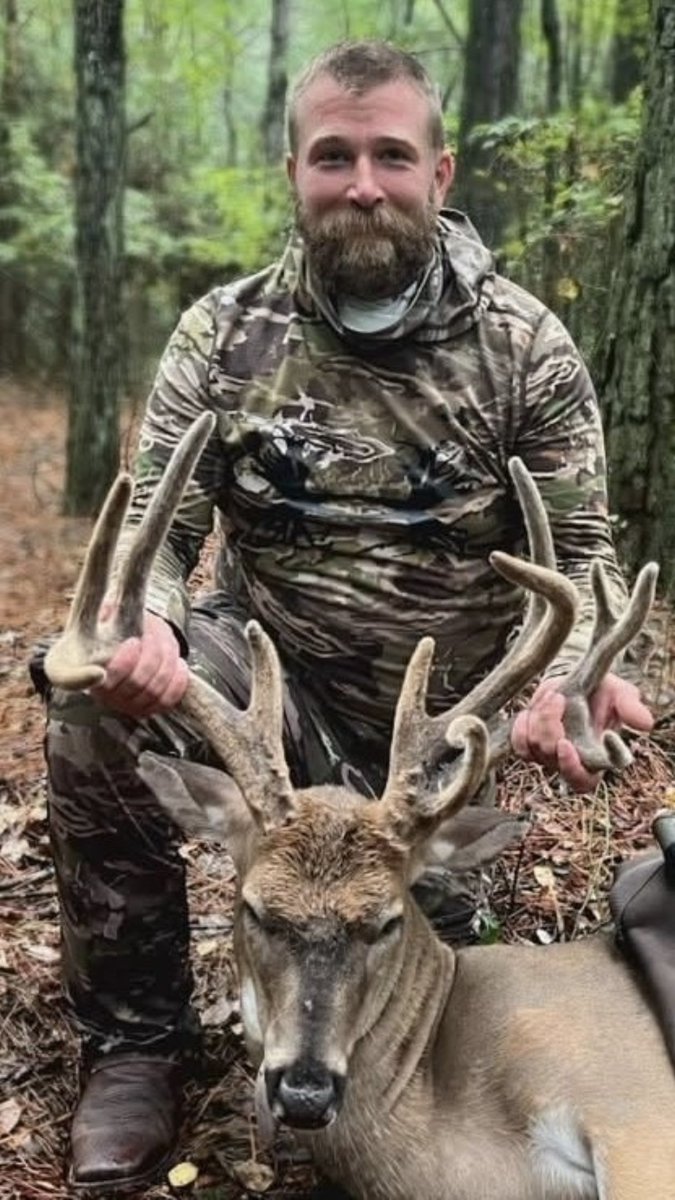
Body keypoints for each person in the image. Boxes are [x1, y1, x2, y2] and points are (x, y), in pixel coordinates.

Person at [36, 40, 653, 1192]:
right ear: (294, 173)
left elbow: (583, 562)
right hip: (269, 721)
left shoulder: (526, 348)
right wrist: (147, 625)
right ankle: (137, 1045)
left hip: (429, 753)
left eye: (390, 156)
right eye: (333, 157)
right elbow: (155, 544)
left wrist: (573, 674)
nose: (363, 184)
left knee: (428, 1013)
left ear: (439, 172)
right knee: (90, 712)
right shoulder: (223, 336)